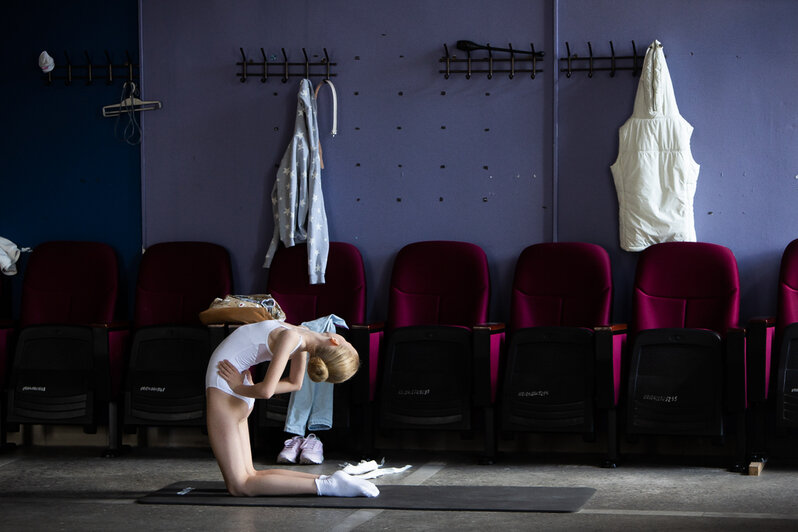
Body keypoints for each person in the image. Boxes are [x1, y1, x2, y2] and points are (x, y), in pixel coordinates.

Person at [205, 319, 379, 497]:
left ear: (335, 341)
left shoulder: (293, 335)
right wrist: (242, 388)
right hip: (237, 389)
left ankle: (327, 486)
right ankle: (327, 480)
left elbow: (266, 391)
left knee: (240, 485)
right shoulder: (302, 338)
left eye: (347, 342)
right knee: (250, 474)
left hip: (227, 388)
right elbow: (295, 383)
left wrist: (238, 387)